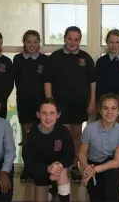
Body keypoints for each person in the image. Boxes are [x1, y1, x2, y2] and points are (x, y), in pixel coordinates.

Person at [44, 26, 96, 182]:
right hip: (59, 105)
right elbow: (48, 81)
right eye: (69, 39)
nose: (73, 42)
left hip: (79, 104)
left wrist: (92, 101)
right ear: (64, 39)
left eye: (76, 39)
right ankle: (61, 167)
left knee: (76, 135)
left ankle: (74, 166)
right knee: (62, 136)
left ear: (80, 40)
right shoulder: (55, 57)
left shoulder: (85, 58)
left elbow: (92, 82)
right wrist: (49, 102)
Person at [22, 98, 75, 202]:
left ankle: (61, 196)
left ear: (58, 115)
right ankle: (51, 192)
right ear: (38, 114)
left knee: (62, 172)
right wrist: (47, 169)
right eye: (44, 113)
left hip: (58, 170)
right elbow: (29, 163)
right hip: (41, 172)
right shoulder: (31, 135)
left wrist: (59, 165)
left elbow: (70, 155)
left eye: (52, 113)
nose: (48, 117)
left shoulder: (63, 132)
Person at [14, 29, 49, 182]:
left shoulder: (45, 60)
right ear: (24, 43)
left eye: (35, 42)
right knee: (27, 136)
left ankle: (42, 167)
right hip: (24, 102)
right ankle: (27, 167)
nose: (32, 45)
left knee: (42, 135)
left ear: (39, 43)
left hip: (41, 104)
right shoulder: (17, 59)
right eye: (29, 42)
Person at [78, 93, 119, 202]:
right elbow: (82, 153)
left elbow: (117, 162)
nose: (109, 112)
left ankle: (116, 191)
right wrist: (86, 169)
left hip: (111, 166)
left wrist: (94, 170)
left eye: (113, 108)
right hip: (92, 163)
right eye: (105, 108)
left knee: (111, 191)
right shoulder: (89, 129)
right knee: (96, 197)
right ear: (100, 110)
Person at [96, 29, 119, 125]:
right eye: (111, 42)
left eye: (117, 42)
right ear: (107, 43)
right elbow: (98, 85)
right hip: (105, 104)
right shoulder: (101, 62)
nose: (114, 45)